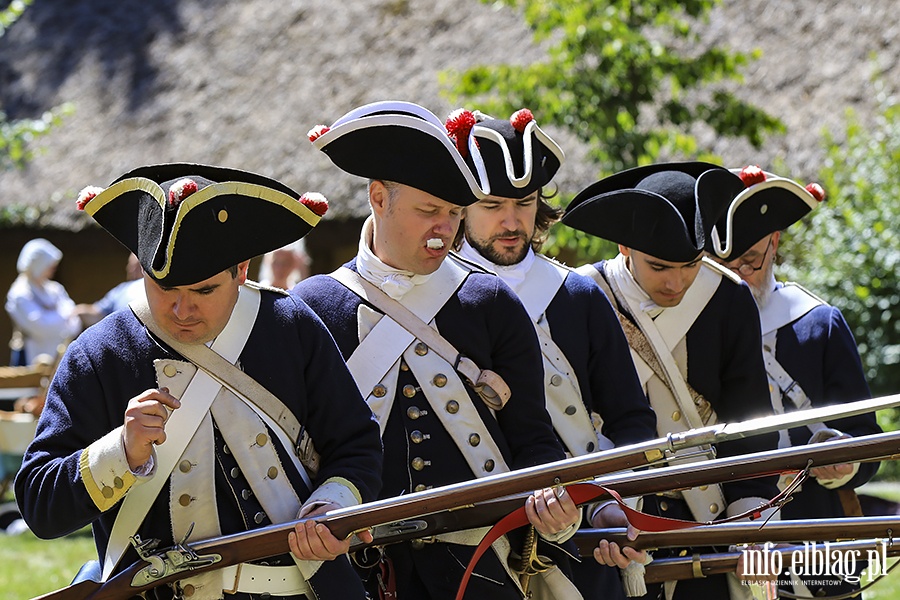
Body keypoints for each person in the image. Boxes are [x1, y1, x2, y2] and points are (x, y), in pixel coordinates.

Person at [16, 164, 383, 600]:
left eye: (204, 291)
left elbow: (356, 446)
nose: (182, 310)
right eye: (164, 289)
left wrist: (333, 505)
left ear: (242, 270)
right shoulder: (99, 354)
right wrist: (122, 451)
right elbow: (40, 505)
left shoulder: (291, 326)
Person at [295, 101, 582, 600]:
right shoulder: (311, 307)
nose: (444, 230)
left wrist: (553, 500)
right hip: (359, 571)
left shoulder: (490, 301)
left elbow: (533, 440)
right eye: (428, 210)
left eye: (453, 214)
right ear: (379, 197)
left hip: (480, 567)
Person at [454, 108, 657, 598]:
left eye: (524, 202)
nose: (511, 220)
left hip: (581, 538)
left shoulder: (577, 296)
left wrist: (613, 502)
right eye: (492, 204)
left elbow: (630, 419)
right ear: (458, 205)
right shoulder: (441, 302)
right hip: (476, 550)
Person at [561, 162, 780, 600]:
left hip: (711, 517)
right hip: (614, 515)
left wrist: (750, 515)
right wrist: (597, 507)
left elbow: (749, 421)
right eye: (659, 266)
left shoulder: (728, 296)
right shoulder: (580, 296)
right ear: (625, 245)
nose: (677, 281)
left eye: (692, 264)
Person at [705, 165, 882, 597]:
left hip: (813, 529)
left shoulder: (819, 324)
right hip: (719, 527)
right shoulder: (694, 330)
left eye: (751, 258)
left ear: (775, 242)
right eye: (724, 262)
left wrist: (845, 463)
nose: (739, 274)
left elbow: (867, 438)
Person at [5, 238, 85, 366]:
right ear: (38, 263)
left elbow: (75, 321)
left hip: (57, 355)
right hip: (29, 357)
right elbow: (38, 325)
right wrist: (65, 318)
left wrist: (60, 320)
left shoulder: (55, 289)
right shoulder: (19, 293)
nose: (53, 268)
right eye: (49, 264)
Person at [77, 253, 146, 328]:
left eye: (137, 267)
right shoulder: (121, 290)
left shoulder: (155, 291)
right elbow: (98, 314)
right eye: (130, 265)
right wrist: (78, 311)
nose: (132, 270)